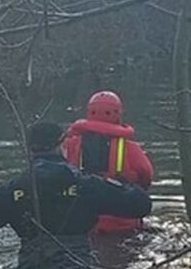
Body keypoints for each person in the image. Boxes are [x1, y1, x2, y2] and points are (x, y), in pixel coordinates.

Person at [0, 122, 152, 269]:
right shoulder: (86, 185)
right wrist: (124, 183)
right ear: (62, 145)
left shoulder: (15, 188)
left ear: (29, 149)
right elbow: (141, 205)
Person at [62, 91, 154, 234]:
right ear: (118, 114)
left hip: (82, 224)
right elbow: (146, 176)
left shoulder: (69, 145)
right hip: (122, 224)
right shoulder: (131, 148)